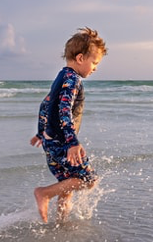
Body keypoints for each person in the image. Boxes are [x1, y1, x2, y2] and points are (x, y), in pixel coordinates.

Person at [30, 27, 108, 223]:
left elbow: (46, 104)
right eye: (94, 62)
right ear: (80, 58)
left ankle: (61, 223)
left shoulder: (61, 77)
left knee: (67, 183)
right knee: (89, 180)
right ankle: (44, 194)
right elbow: (63, 110)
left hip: (51, 141)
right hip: (63, 142)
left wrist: (41, 133)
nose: (95, 68)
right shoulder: (72, 80)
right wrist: (72, 142)